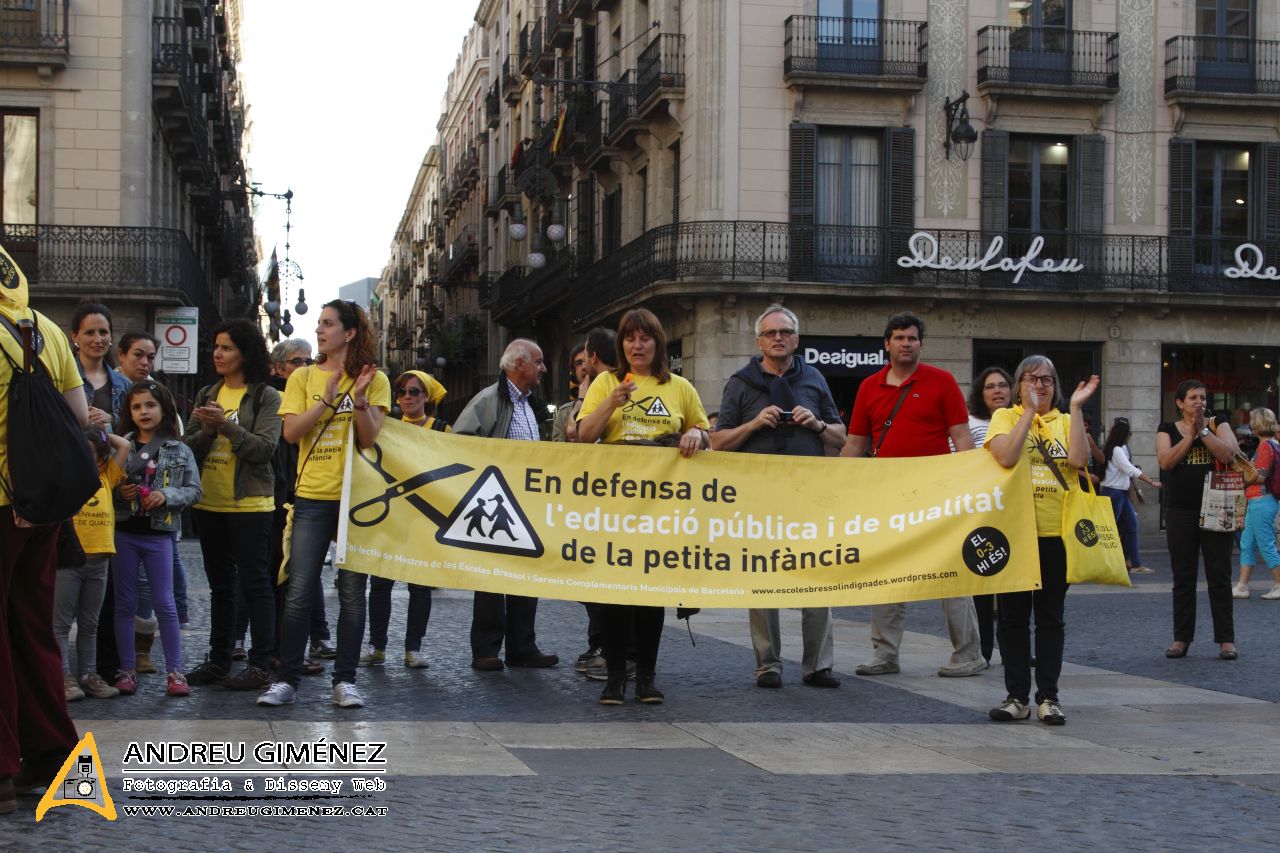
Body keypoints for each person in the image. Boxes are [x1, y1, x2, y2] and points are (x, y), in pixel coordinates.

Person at [258, 300, 389, 709]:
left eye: (328, 324)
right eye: (318, 324)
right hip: (312, 495)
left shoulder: (374, 378)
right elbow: (292, 433)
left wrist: (362, 401)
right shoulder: (302, 377)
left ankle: (345, 680)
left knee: (352, 592)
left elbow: (369, 439)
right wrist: (327, 401)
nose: (319, 330)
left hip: (357, 498)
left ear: (349, 333)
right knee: (298, 590)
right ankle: (287, 679)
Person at [841, 312, 986, 678]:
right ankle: (884, 655)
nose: (906, 343)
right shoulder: (869, 387)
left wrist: (967, 484)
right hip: (887, 496)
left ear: (921, 344)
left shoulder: (942, 381)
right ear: (886, 344)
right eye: (899, 337)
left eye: (913, 338)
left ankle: (969, 653)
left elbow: (962, 436)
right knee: (886, 574)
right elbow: (856, 443)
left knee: (952, 572)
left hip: (938, 493)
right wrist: (835, 484)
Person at [578, 309, 711, 705]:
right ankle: (616, 677)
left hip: (663, 506)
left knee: (652, 593)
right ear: (621, 345)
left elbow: (706, 433)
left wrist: (694, 434)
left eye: (645, 338)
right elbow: (584, 436)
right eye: (630, 338)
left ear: (658, 344)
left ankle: (647, 677)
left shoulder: (681, 387)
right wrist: (612, 402)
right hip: (616, 503)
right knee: (616, 593)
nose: (637, 345)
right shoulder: (606, 382)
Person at [713, 304, 846, 689]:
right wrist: (754, 424)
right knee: (762, 579)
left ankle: (818, 665)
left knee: (818, 575)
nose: (778, 338)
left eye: (785, 332)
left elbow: (842, 438)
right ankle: (767, 663)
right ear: (759, 341)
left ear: (796, 339)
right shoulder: (740, 382)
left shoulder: (815, 378)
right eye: (771, 333)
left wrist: (817, 423)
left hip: (810, 495)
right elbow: (718, 442)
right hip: (759, 498)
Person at [0, 280, 89, 810]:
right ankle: (50, 752)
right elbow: (79, 416)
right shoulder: (44, 328)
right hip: (39, 504)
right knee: (30, 626)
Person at [986, 356, 1098, 726]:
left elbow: (1080, 461)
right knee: (1013, 619)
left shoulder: (1066, 421)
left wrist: (1078, 409)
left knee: (1051, 618)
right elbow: (1005, 456)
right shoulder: (1005, 417)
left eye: (1048, 379)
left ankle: (1049, 697)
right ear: (1019, 384)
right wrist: (1026, 414)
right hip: (1014, 532)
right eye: (1032, 378)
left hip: (1057, 533)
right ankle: (1016, 696)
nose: (1041, 384)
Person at [183, 320, 282, 693]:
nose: (218, 354)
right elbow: (186, 449)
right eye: (217, 347)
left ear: (245, 353)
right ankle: (219, 659)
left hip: (251, 505)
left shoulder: (265, 397)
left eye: (226, 348)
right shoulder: (208, 392)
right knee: (221, 586)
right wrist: (207, 432)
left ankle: (259, 665)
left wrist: (225, 427)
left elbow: (264, 450)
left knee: (256, 585)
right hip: (210, 502)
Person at [454, 339, 558, 672]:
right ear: (519, 365)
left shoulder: (530, 404)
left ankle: (522, 647)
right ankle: (486, 649)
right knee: (491, 577)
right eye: (539, 362)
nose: (543, 368)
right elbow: (461, 442)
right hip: (496, 501)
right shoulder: (487, 401)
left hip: (528, 503)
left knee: (526, 575)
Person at [111, 382, 202, 698]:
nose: (143, 412)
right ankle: (126, 669)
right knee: (124, 603)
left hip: (160, 534)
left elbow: (194, 490)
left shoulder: (180, 449)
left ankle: (175, 672)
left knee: (166, 603)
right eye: (136, 407)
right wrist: (118, 493)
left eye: (149, 405)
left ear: (164, 409)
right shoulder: (120, 446)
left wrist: (166, 495)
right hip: (124, 532)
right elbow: (102, 485)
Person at [361, 370, 447, 670]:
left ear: (427, 397)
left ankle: (413, 648)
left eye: (414, 392)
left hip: (424, 518)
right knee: (380, 582)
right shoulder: (386, 427)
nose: (407, 397)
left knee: (420, 587)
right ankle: (377, 646)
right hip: (392, 516)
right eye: (401, 392)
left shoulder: (442, 429)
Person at [1157, 379, 1239, 660]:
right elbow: (1166, 461)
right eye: (1192, 398)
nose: (1199, 402)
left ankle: (1226, 640)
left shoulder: (1220, 422)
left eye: (1203, 397)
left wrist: (1203, 429)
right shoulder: (1167, 429)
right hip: (1181, 510)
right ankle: (1181, 638)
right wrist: (1189, 436)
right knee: (1183, 577)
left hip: (1218, 506)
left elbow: (1229, 454)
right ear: (1180, 403)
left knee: (1220, 575)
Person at [57, 427, 130, 701]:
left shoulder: (106, 475)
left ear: (101, 459)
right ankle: (63, 677)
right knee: (61, 624)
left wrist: (101, 433)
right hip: (68, 561)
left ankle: (88, 675)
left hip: (100, 561)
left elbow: (123, 445)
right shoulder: (65, 477)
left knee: (90, 623)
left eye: (89, 453)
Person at [570, 328, 621, 681]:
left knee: (602, 579)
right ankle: (603, 645)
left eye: (584, 356)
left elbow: (579, 434)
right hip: (593, 496)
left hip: (608, 497)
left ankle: (612, 650)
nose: (580, 363)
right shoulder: (599, 387)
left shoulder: (603, 386)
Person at [967, 366, 1013, 664]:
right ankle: (982, 649)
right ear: (980, 393)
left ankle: (1014, 649)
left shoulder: (1020, 421)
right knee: (982, 586)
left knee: (1015, 588)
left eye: (1003, 385)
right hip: (982, 511)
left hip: (1014, 512)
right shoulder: (969, 424)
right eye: (990, 386)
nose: (997, 391)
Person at [1099, 418, 1161, 575]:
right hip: (1114, 493)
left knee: (1131, 527)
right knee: (1110, 532)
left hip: (1119, 494)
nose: (1130, 436)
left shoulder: (1116, 448)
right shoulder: (1117, 450)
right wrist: (1151, 481)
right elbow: (1130, 470)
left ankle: (1135, 563)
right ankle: (1104, 564)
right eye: (1130, 433)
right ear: (1124, 435)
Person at [1234, 408, 1280, 600]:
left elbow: (1260, 477)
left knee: (1265, 545)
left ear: (1257, 425)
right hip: (1260, 501)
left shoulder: (1264, 446)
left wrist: (1242, 476)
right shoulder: (1274, 444)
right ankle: (1242, 586)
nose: (1250, 426)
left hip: (1261, 500)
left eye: (1252, 422)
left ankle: (1278, 584)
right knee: (1247, 543)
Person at [70, 302, 130, 431]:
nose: (98, 340)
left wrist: (112, 419)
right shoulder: (59, 379)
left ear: (110, 336)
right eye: (90, 333)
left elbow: (134, 427)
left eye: (103, 332)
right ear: (75, 336)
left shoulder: (125, 385)